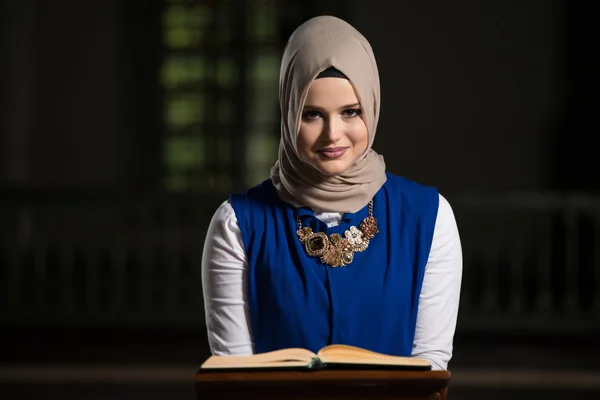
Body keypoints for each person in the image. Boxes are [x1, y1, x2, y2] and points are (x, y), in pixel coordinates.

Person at [201, 15, 462, 371]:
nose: (332, 134)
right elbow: (236, 375)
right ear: (288, 111)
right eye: (312, 115)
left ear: (371, 106)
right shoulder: (236, 224)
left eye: (351, 112)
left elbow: (430, 368)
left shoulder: (429, 217)